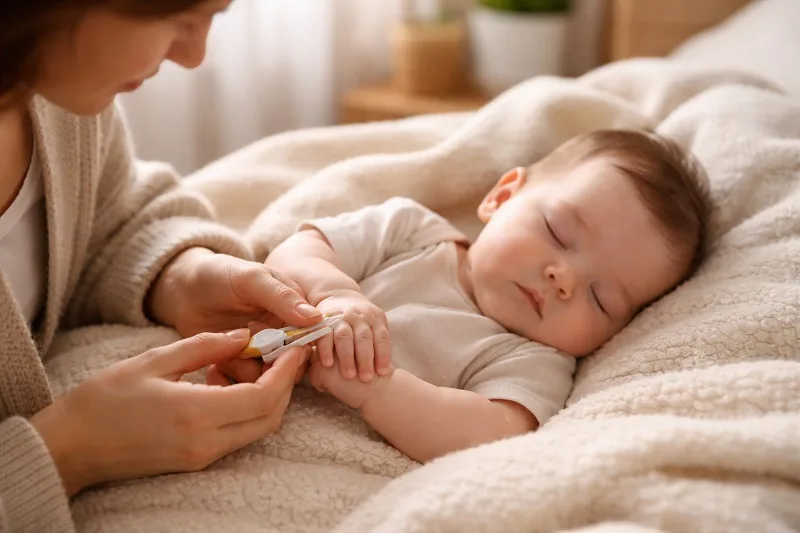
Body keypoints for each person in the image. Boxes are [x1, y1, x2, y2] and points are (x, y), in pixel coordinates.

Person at [0, 2, 324, 532]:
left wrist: (181, 276)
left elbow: (106, 221)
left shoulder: (58, 91)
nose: (193, 56)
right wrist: (68, 453)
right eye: (177, 19)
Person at [265, 129, 713, 463]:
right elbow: (292, 253)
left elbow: (489, 436)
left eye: (602, 298)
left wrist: (376, 389)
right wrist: (334, 292)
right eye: (557, 231)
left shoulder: (534, 361)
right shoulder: (411, 232)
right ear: (501, 196)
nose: (564, 279)